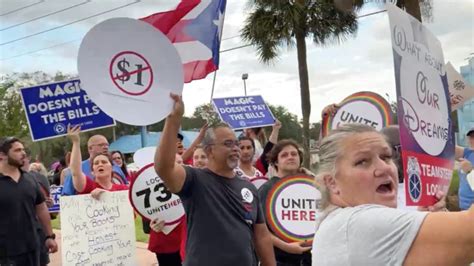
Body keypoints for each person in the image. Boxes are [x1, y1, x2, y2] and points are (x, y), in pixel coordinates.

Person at [312, 124, 474, 265]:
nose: (384, 168)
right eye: (362, 161)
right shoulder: (355, 224)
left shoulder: (339, 224)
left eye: (386, 157)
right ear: (332, 182)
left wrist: (426, 223)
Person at [154, 93, 275, 266]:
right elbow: (163, 168)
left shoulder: (248, 188)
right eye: (228, 144)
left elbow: (261, 235)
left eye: (236, 144)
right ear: (209, 150)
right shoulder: (194, 180)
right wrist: (173, 120)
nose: (235, 149)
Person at [0, 137, 58, 265]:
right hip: (6, 253)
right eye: (17, 150)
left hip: (34, 248)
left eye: (23, 149)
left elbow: (41, 208)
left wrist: (49, 236)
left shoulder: (30, 180)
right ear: (2, 155)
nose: (23, 153)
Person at [258, 139, 312, 265]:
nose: (290, 157)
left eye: (294, 154)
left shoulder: (309, 186)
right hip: (278, 259)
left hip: (307, 259)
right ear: (276, 161)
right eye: (284, 155)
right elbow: (259, 230)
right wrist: (286, 246)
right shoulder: (267, 189)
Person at [381, 125, 447, 211]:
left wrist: (440, 210)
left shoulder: (421, 185)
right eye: (404, 148)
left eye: (412, 147)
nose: (411, 153)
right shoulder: (378, 195)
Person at [68, 125, 128, 196]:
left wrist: (106, 195)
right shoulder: (89, 187)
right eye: (96, 163)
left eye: (104, 162)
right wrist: (76, 142)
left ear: (112, 168)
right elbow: (75, 172)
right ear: (92, 171)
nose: (100, 164)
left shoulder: (123, 189)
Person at [455, 127, 474, 210]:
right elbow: (449, 147)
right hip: (464, 208)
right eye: (471, 137)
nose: (472, 140)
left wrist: (471, 171)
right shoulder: (468, 152)